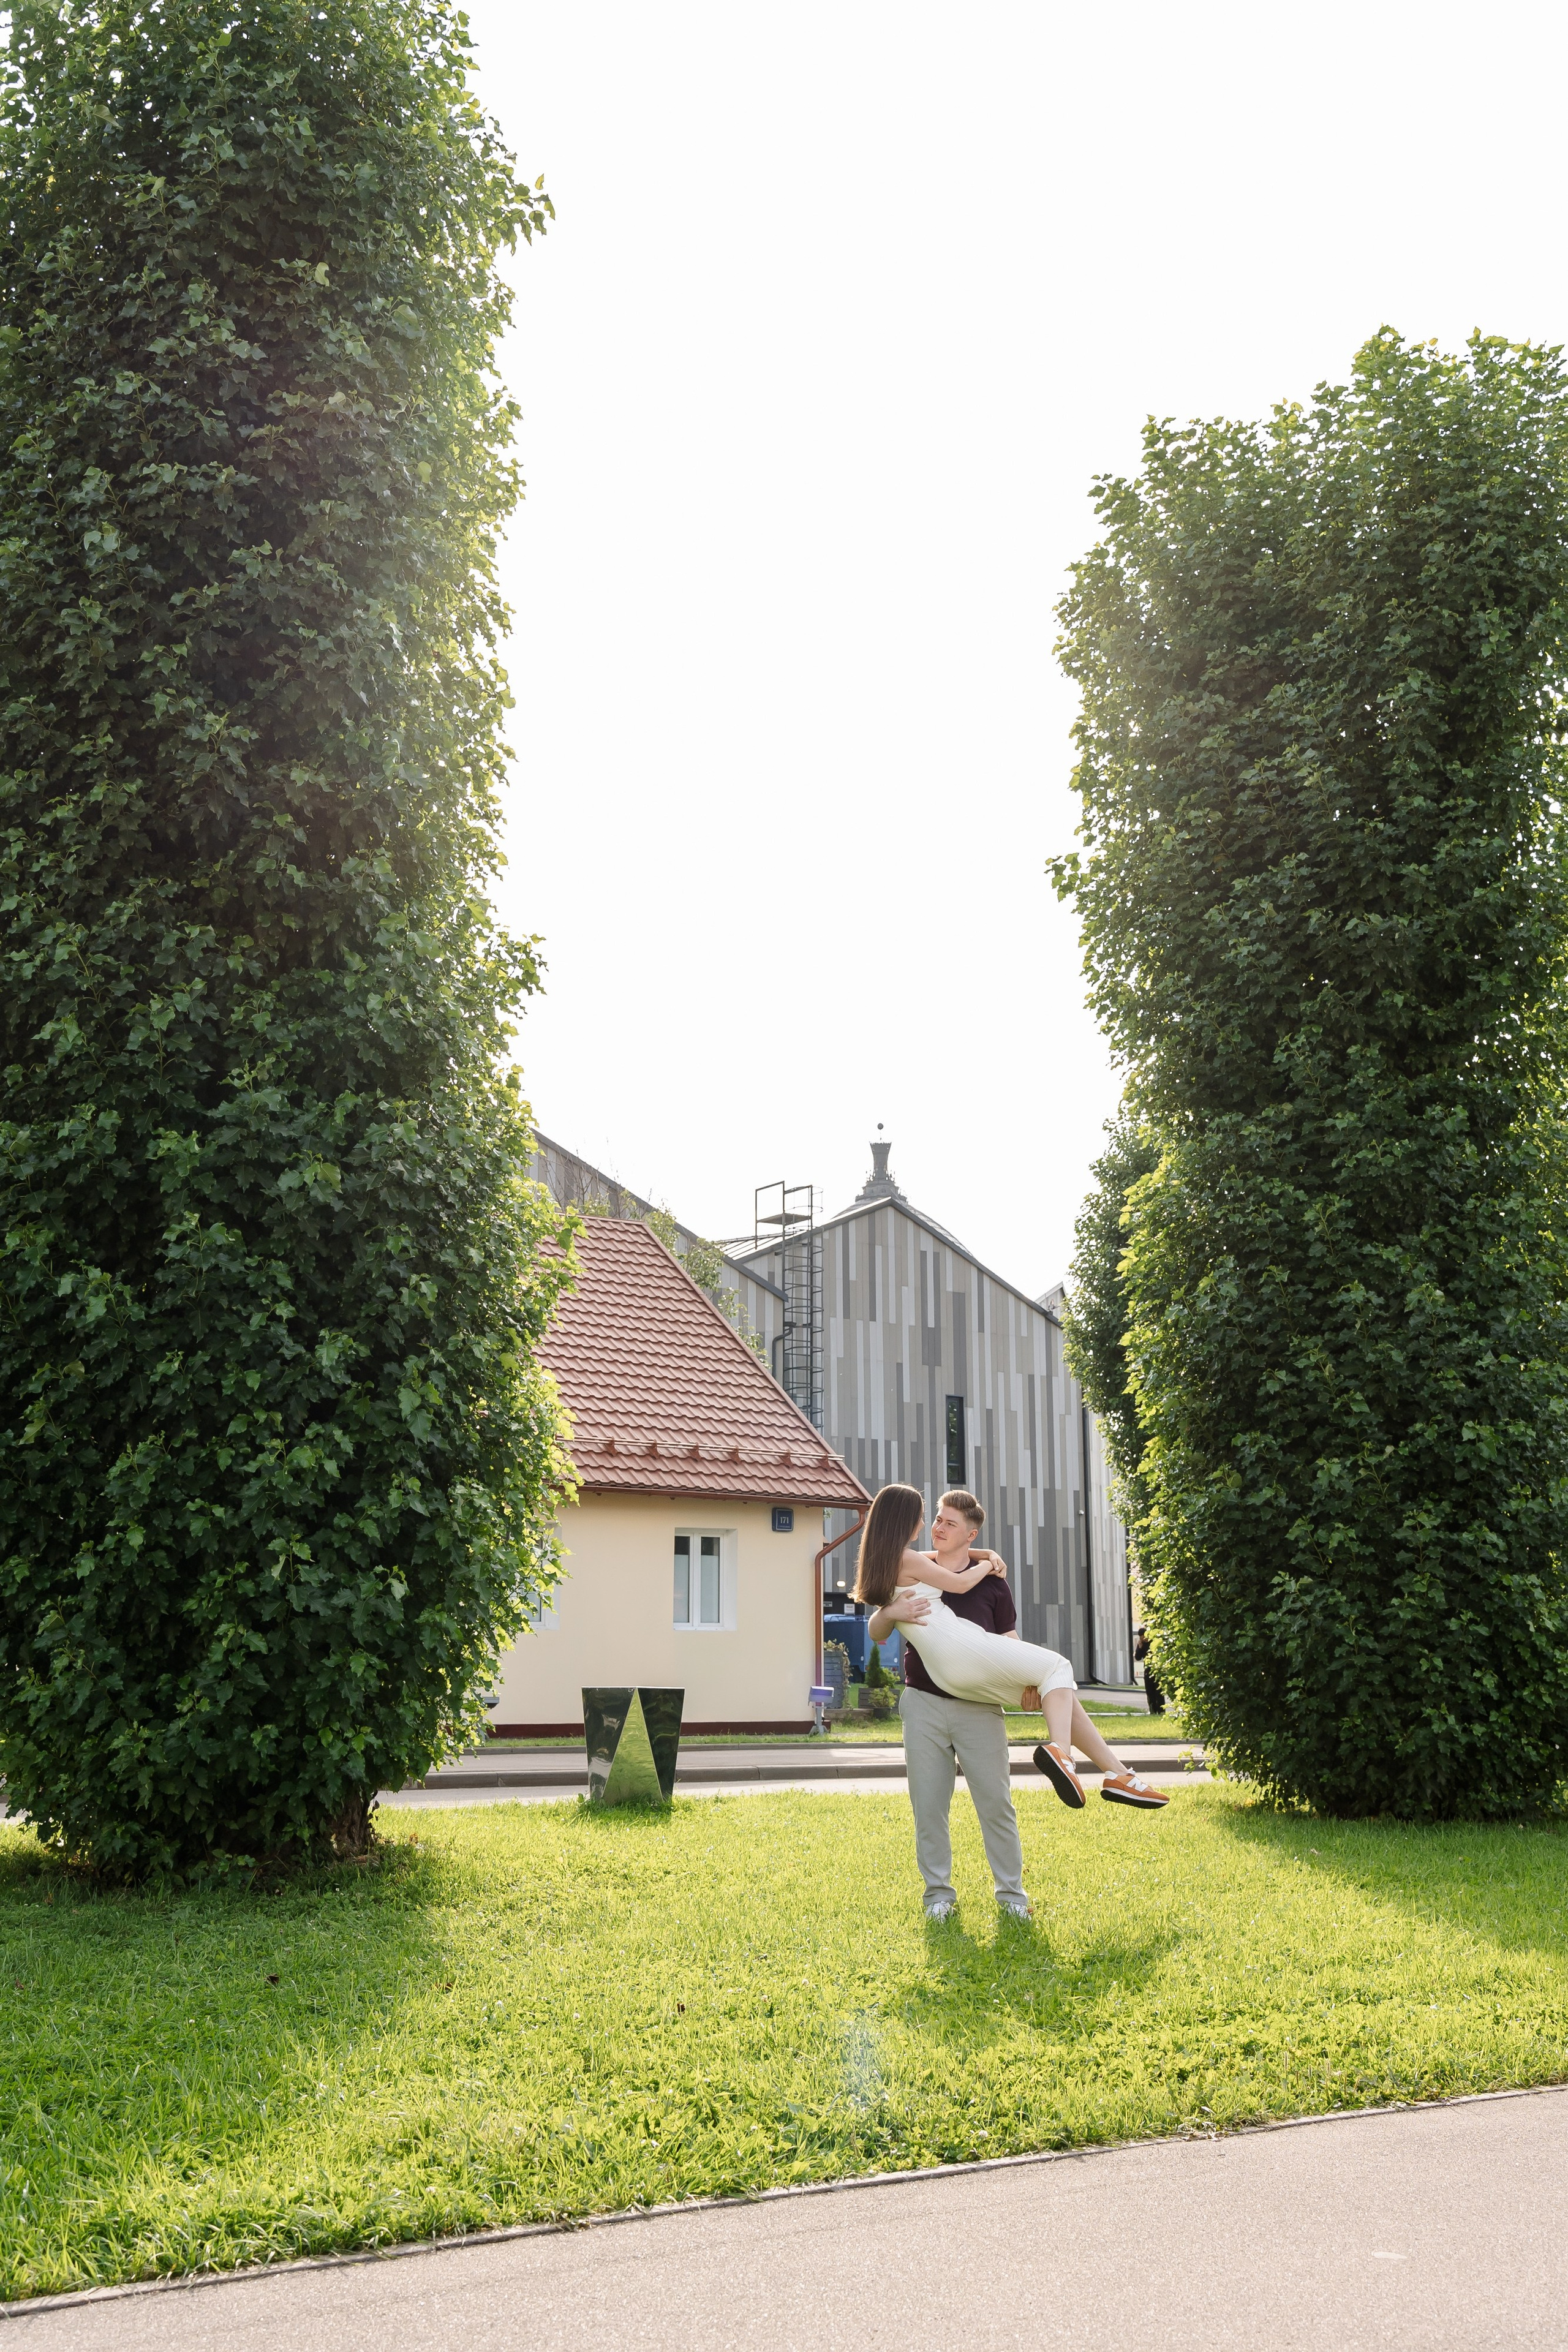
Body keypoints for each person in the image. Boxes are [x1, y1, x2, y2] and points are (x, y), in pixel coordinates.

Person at [861, 1484, 1167, 1922]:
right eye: (934, 1519)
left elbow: (1008, 1642)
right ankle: (941, 1895)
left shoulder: (969, 1579)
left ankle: (1117, 1776)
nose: (936, 1526)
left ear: (970, 1533)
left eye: (949, 1522)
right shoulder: (924, 1565)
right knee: (1058, 1669)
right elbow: (880, 1623)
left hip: (978, 1694)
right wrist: (979, 1564)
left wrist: (984, 1557)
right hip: (930, 1695)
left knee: (1012, 1775)